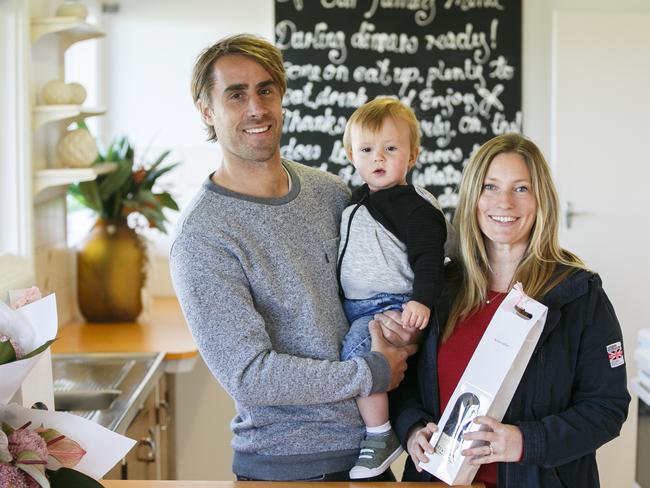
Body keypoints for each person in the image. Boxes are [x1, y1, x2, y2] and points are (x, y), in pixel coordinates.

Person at [169, 34, 419, 482]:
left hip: (371, 457)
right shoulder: (203, 237)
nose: (255, 108)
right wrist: (370, 373)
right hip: (284, 469)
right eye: (235, 94)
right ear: (207, 111)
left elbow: (382, 288)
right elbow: (250, 375)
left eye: (266, 89)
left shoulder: (330, 193)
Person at [388, 133, 630, 487]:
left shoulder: (579, 294)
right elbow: (403, 384)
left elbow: (607, 408)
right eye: (490, 186)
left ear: (540, 200)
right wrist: (411, 429)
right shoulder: (438, 290)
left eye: (521, 188)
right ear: (473, 197)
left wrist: (525, 441)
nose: (504, 202)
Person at [336, 98, 447, 479]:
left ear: (412, 156)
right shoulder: (356, 200)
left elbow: (429, 258)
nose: (378, 157)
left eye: (391, 148)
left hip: (391, 305)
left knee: (359, 354)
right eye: (367, 150)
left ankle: (380, 434)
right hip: (360, 305)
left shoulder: (414, 207)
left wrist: (421, 300)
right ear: (352, 155)